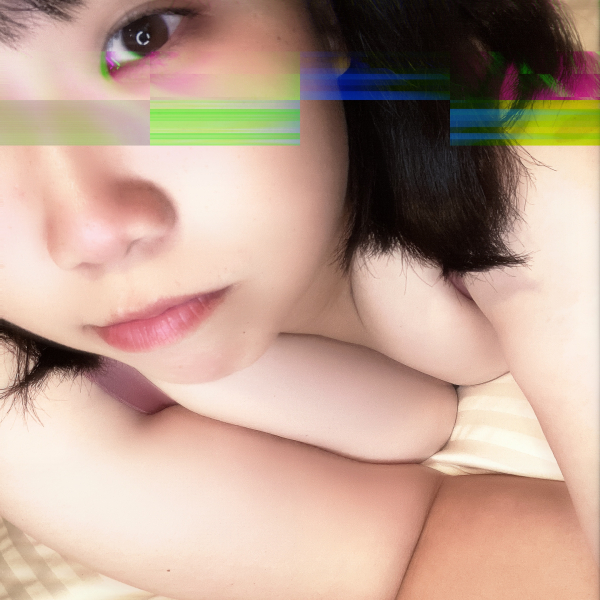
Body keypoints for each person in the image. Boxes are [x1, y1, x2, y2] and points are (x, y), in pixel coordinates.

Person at [0, 0, 597, 596]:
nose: (91, 235)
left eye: (143, 37)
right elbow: (402, 545)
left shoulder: (521, 136)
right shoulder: (27, 406)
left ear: (324, 14)